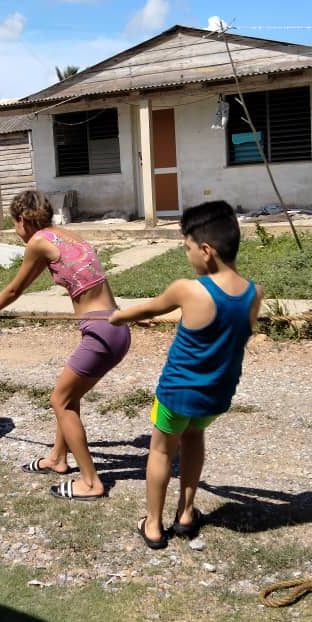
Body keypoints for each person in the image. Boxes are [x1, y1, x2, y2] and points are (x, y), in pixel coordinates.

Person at [110, 201, 262, 548]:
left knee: (162, 452)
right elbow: (225, 330)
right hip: (216, 396)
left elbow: (150, 307)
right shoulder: (254, 294)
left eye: (188, 247)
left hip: (176, 394)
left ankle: (152, 524)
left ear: (206, 250)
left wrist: (120, 317)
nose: (188, 254)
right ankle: (186, 512)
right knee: (194, 440)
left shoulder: (188, 289)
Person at [0, 190, 131, 501]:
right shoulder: (71, 237)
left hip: (100, 333)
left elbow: (17, 287)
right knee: (71, 395)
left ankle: (91, 482)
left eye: (14, 224)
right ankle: (58, 458)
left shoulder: (38, 242)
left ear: (21, 220)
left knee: (61, 401)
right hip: (115, 327)